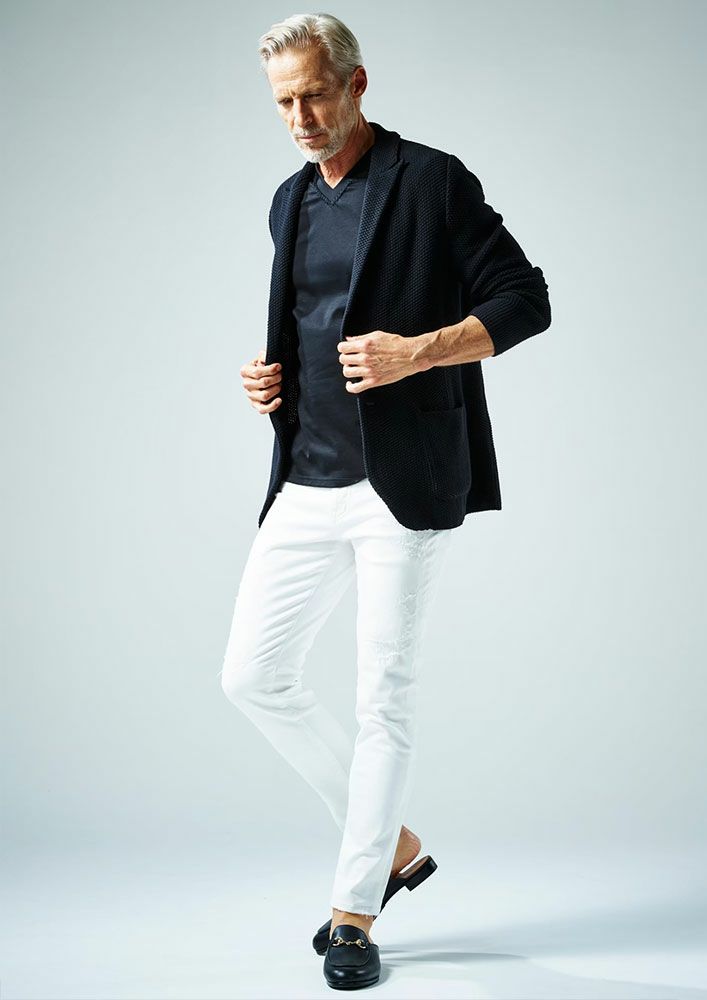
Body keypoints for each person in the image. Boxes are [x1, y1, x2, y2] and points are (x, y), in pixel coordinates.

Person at [220, 12, 551, 991]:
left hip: (400, 481)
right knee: (251, 675)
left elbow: (525, 299)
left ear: (357, 84)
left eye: (315, 94)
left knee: (382, 700)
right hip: (305, 472)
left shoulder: (431, 180)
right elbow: (308, 320)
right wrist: (271, 379)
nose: (300, 117)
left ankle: (353, 911)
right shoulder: (288, 200)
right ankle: (393, 841)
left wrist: (420, 351)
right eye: (284, 102)